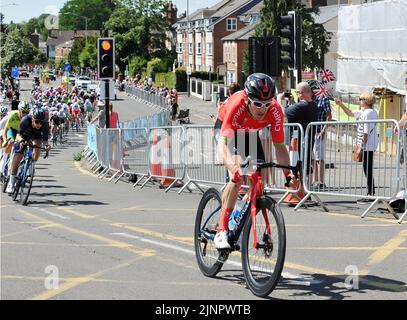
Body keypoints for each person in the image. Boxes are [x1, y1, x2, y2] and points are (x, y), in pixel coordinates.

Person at [213, 73, 293, 249]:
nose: (263, 109)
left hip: (249, 134)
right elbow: (222, 144)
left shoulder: (275, 110)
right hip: (228, 131)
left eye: (267, 103)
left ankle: (237, 215)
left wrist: (288, 174)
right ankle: (221, 230)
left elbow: (280, 147)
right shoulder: (237, 105)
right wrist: (232, 165)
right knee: (238, 175)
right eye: (257, 104)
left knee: (258, 182)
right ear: (248, 99)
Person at [335, 92, 379, 202]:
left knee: (367, 168)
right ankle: (371, 191)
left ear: (366, 101)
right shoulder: (367, 112)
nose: (359, 101)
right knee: (367, 168)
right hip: (368, 144)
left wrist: (360, 147)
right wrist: (340, 104)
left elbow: (366, 133)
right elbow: (350, 113)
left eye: (361, 99)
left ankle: (371, 193)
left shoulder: (367, 113)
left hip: (367, 145)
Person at [5, 107, 50, 193]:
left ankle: (31, 163)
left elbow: (45, 140)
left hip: (36, 136)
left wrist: (47, 146)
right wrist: (21, 141)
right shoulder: (25, 120)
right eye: (37, 121)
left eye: (41, 122)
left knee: (38, 146)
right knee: (18, 155)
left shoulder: (45, 124)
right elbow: (18, 135)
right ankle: (11, 182)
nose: (39, 124)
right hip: (24, 135)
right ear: (32, 118)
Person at [281, 82, 319, 184]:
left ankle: (301, 187)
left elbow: (282, 113)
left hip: (299, 140)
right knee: (306, 162)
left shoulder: (301, 106)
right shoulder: (314, 105)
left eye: (297, 92)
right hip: (308, 138)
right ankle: (307, 189)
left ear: (301, 93)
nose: (297, 94)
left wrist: (278, 99)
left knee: (299, 163)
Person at [307, 80, 332, 189]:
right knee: (311, 158)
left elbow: (329, 116)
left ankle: (321, 181)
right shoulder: (307, 100)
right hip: (309, 131)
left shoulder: (323, 99)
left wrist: (323, 130)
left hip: (318, 131)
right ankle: (314, 180)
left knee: (319, 158)